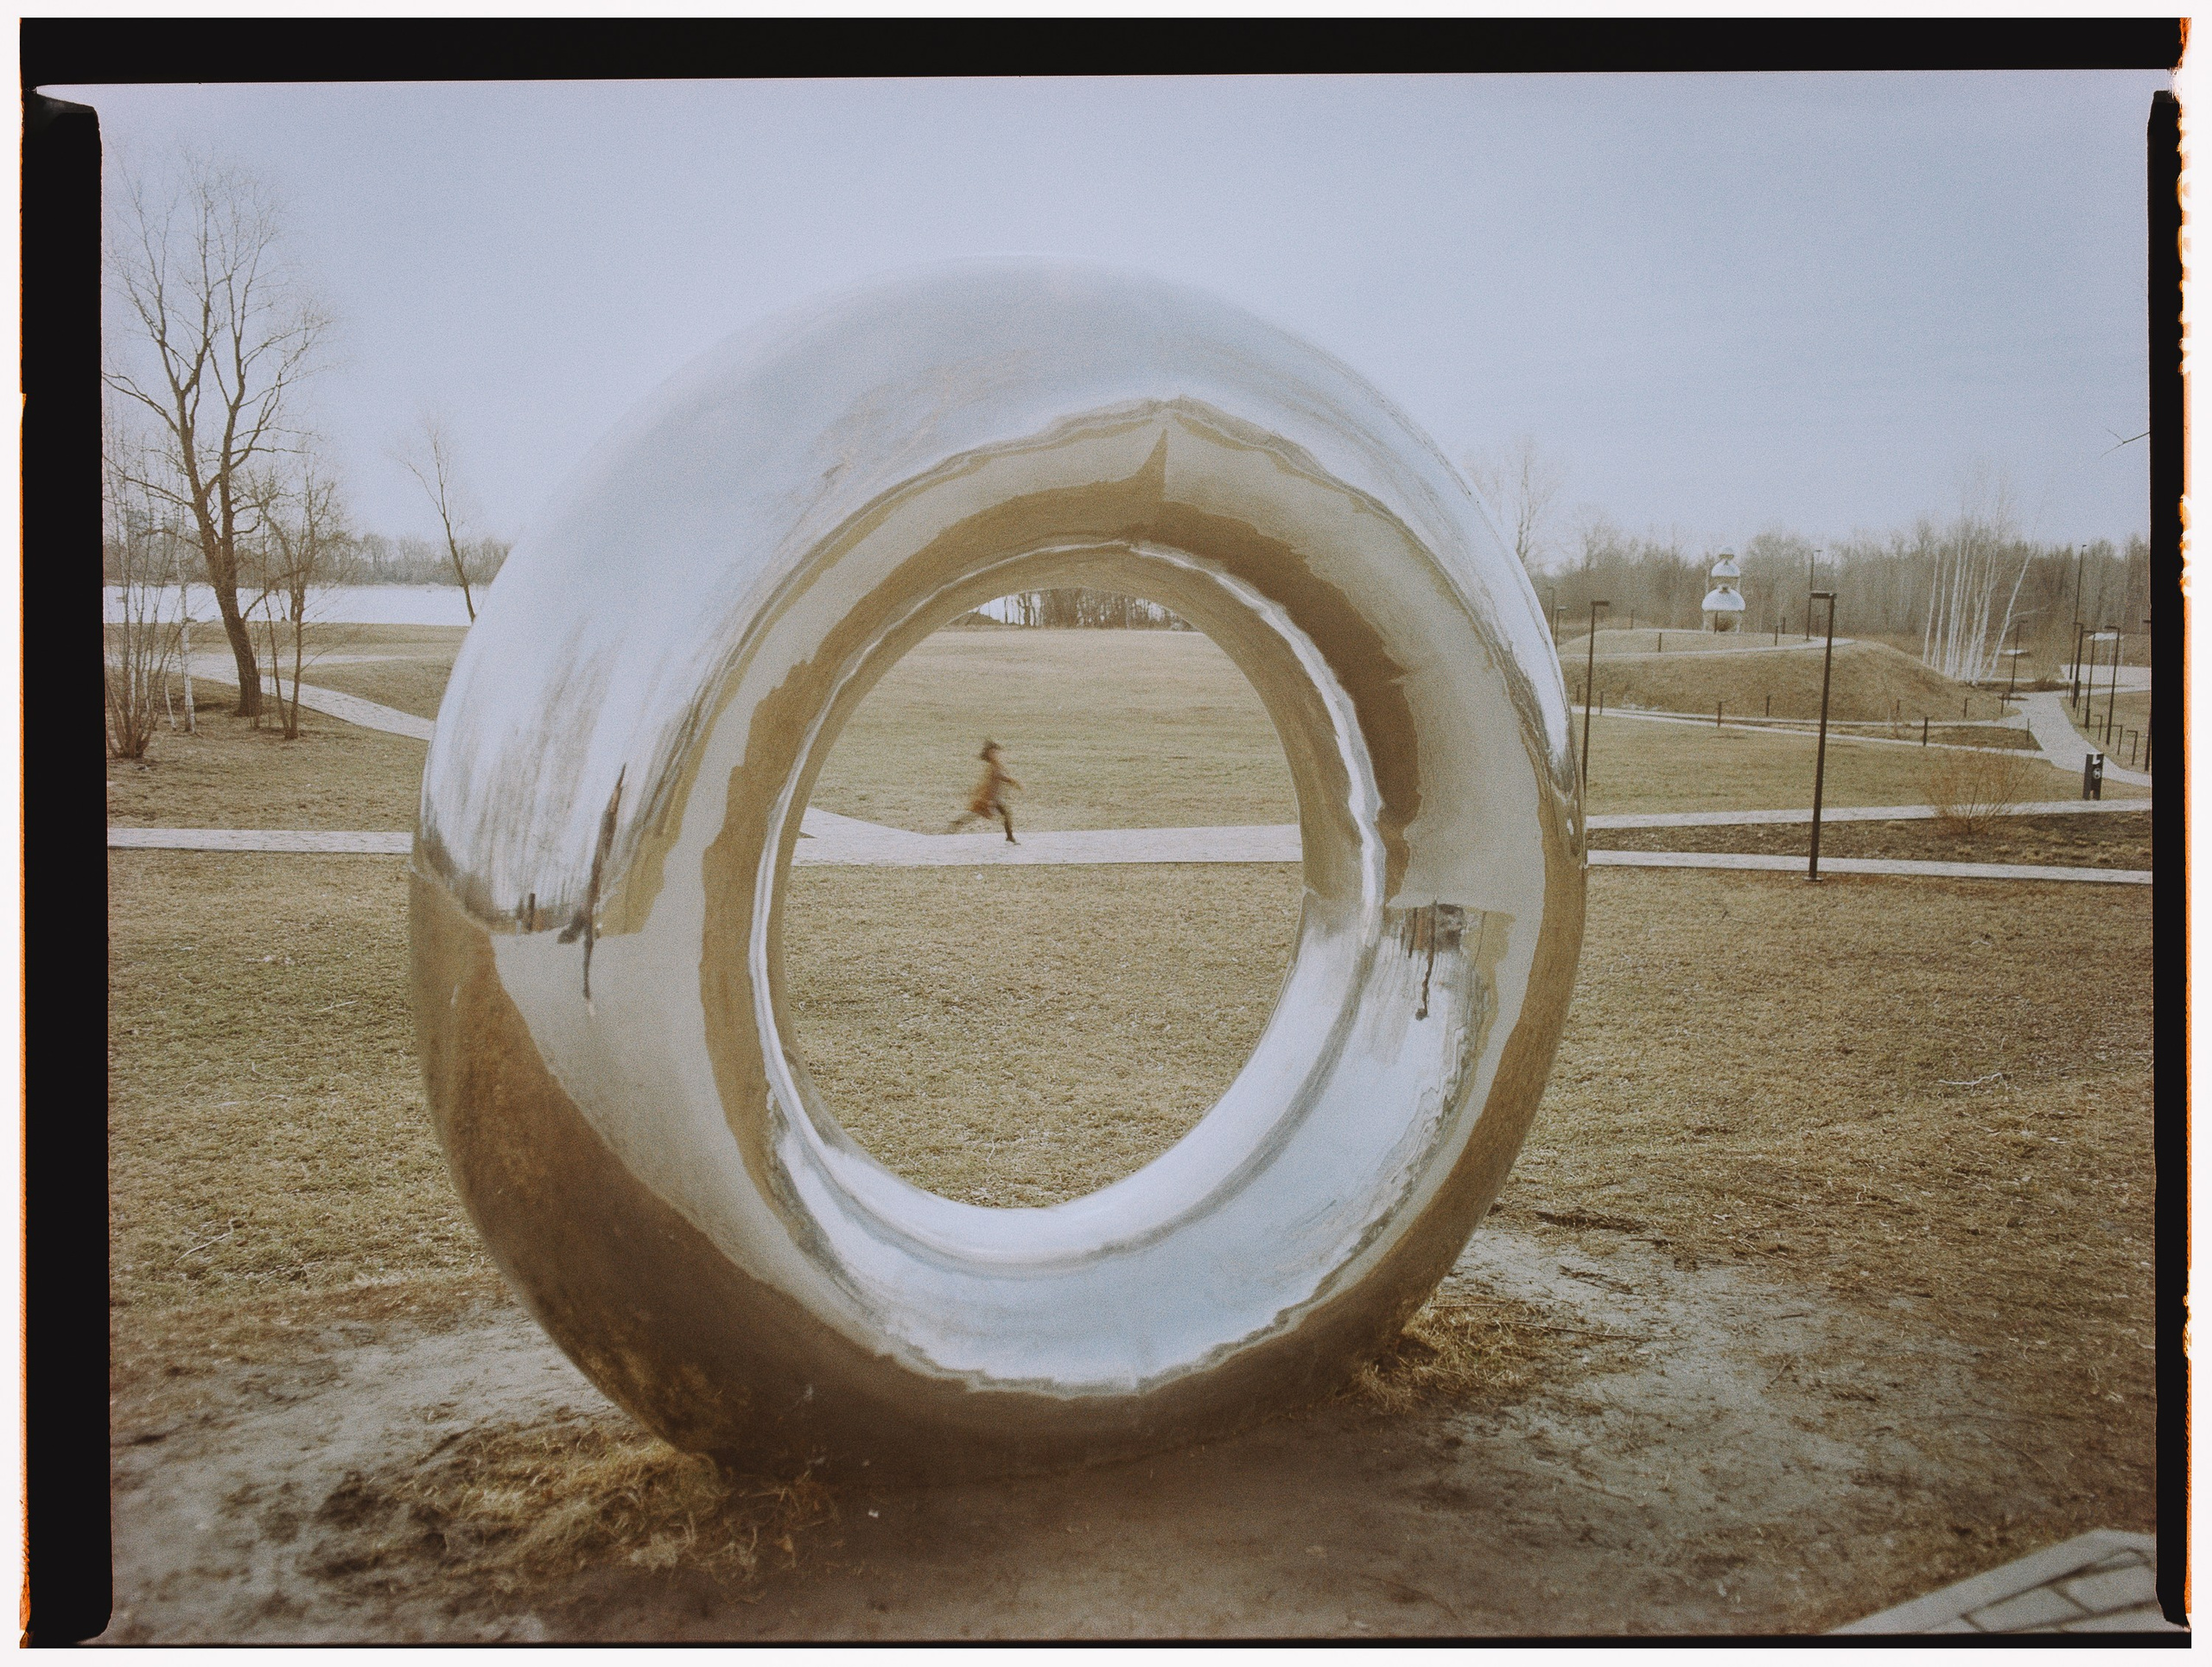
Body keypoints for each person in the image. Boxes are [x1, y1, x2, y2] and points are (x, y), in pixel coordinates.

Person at [949, 739, 1020, 843]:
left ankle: (1009, 836)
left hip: (994, 798)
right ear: (989, 755)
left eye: (996, 752)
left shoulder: (995, 766)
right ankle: (958, 823)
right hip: (990, 798)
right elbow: (1002, 778)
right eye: (993, 753)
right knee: (977, 814)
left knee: (1004, 814)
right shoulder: (994, 767)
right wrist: (1015, 783)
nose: (996, 755)